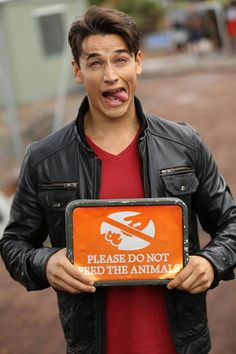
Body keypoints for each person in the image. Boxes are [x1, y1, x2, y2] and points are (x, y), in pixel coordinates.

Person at [0, 6, 236, 354]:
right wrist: (45, 263)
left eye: (120, 60)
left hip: (182, 345)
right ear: (77, 71)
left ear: (138, 62)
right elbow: (14, 244)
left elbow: (231, 223)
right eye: (95, 63)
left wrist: (210, 261)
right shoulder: (44, 158)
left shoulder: (185, 144)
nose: (110, 75)